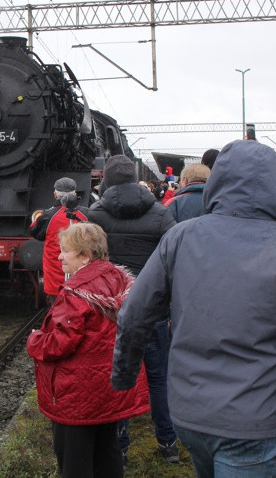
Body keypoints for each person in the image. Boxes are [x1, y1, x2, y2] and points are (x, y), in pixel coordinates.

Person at [112, 140, 276, 477]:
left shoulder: (180, 238)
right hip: (252, 421)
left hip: (189, 413)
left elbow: (134, 313)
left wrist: (122, 376)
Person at [27, 222, 149, 478]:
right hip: (108, 388)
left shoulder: (75, 294)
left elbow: (59, 344)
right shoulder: (117, 279)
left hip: (78, 394)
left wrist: (35, 340)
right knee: (107, 451)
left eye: (65, 251)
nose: (59, 256)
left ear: (85, 256)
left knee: (74, 460)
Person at [88, 154, 179, 465]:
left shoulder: (96, 214)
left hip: (113, 310)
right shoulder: (161, 213)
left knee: (119, 374)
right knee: (159, 375)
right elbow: (174, 260)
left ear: (108, 180)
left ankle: (120, 446)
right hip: (153, 309)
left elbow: (89, 263)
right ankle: (168, 442)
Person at [31, 177, 87, 305]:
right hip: (81, 276)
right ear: (75, 194)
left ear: (55, 195)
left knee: (57, 311)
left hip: (55, 276)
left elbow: (35, 231)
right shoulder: (86, 214)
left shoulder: (47, 216)